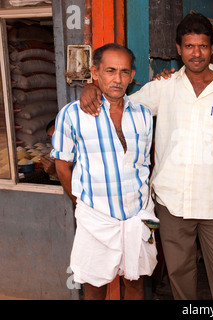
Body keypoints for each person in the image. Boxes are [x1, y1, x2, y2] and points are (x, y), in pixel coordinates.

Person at [79, 12, 213, 300]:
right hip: (171, 203)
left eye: (203, 46)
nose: (196, 54)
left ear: (212, 48)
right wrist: (91, 86)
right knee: (179, 275)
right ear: (178, 49)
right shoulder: (163, 87)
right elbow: (119, 103)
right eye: (190, 46)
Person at [51, 43, 158, 300]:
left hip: (137, 214)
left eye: (124, 72)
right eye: (110, 71)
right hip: (96, 217)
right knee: (94, 287)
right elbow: (62, 165)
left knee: (135, 282)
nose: (117, 79)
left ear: (132, 77)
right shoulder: (72, 115)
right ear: (95, 73)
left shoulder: (143, 115)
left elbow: (143, 163)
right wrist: (81, 201)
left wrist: (143, 206)